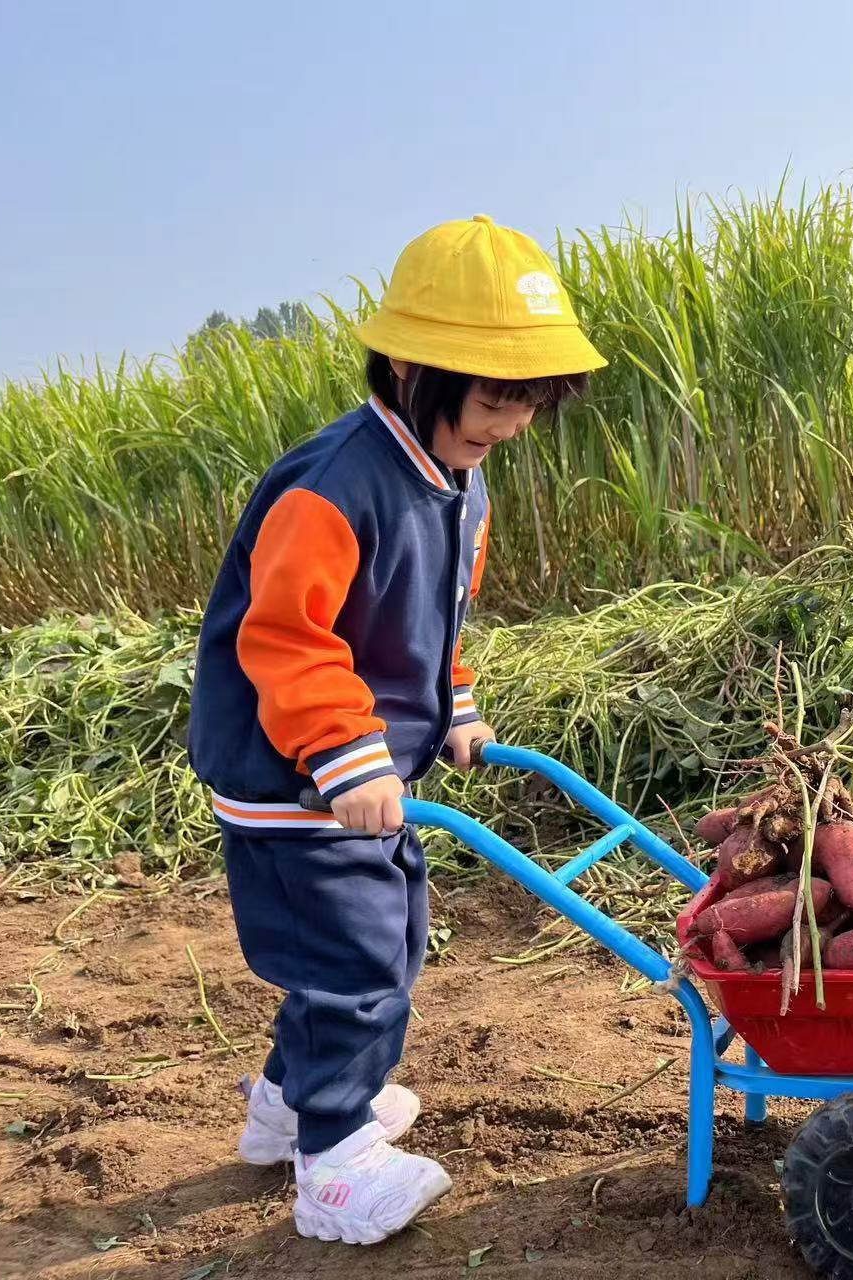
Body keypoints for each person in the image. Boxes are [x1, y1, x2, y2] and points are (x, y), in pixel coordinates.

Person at [187, 215, 605, 1245]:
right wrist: (340, 748)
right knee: (358, 960)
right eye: (498, 397)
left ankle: (288, 1105)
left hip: (367, 768)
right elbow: (285, 636)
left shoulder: (459, 481)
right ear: (413, 361)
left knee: (394, 930)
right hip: (293, 776)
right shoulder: (335, 485)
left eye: (531, 404)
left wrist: (452, 704)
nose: (512, 423)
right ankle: (333, 1163)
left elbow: (437, 614)